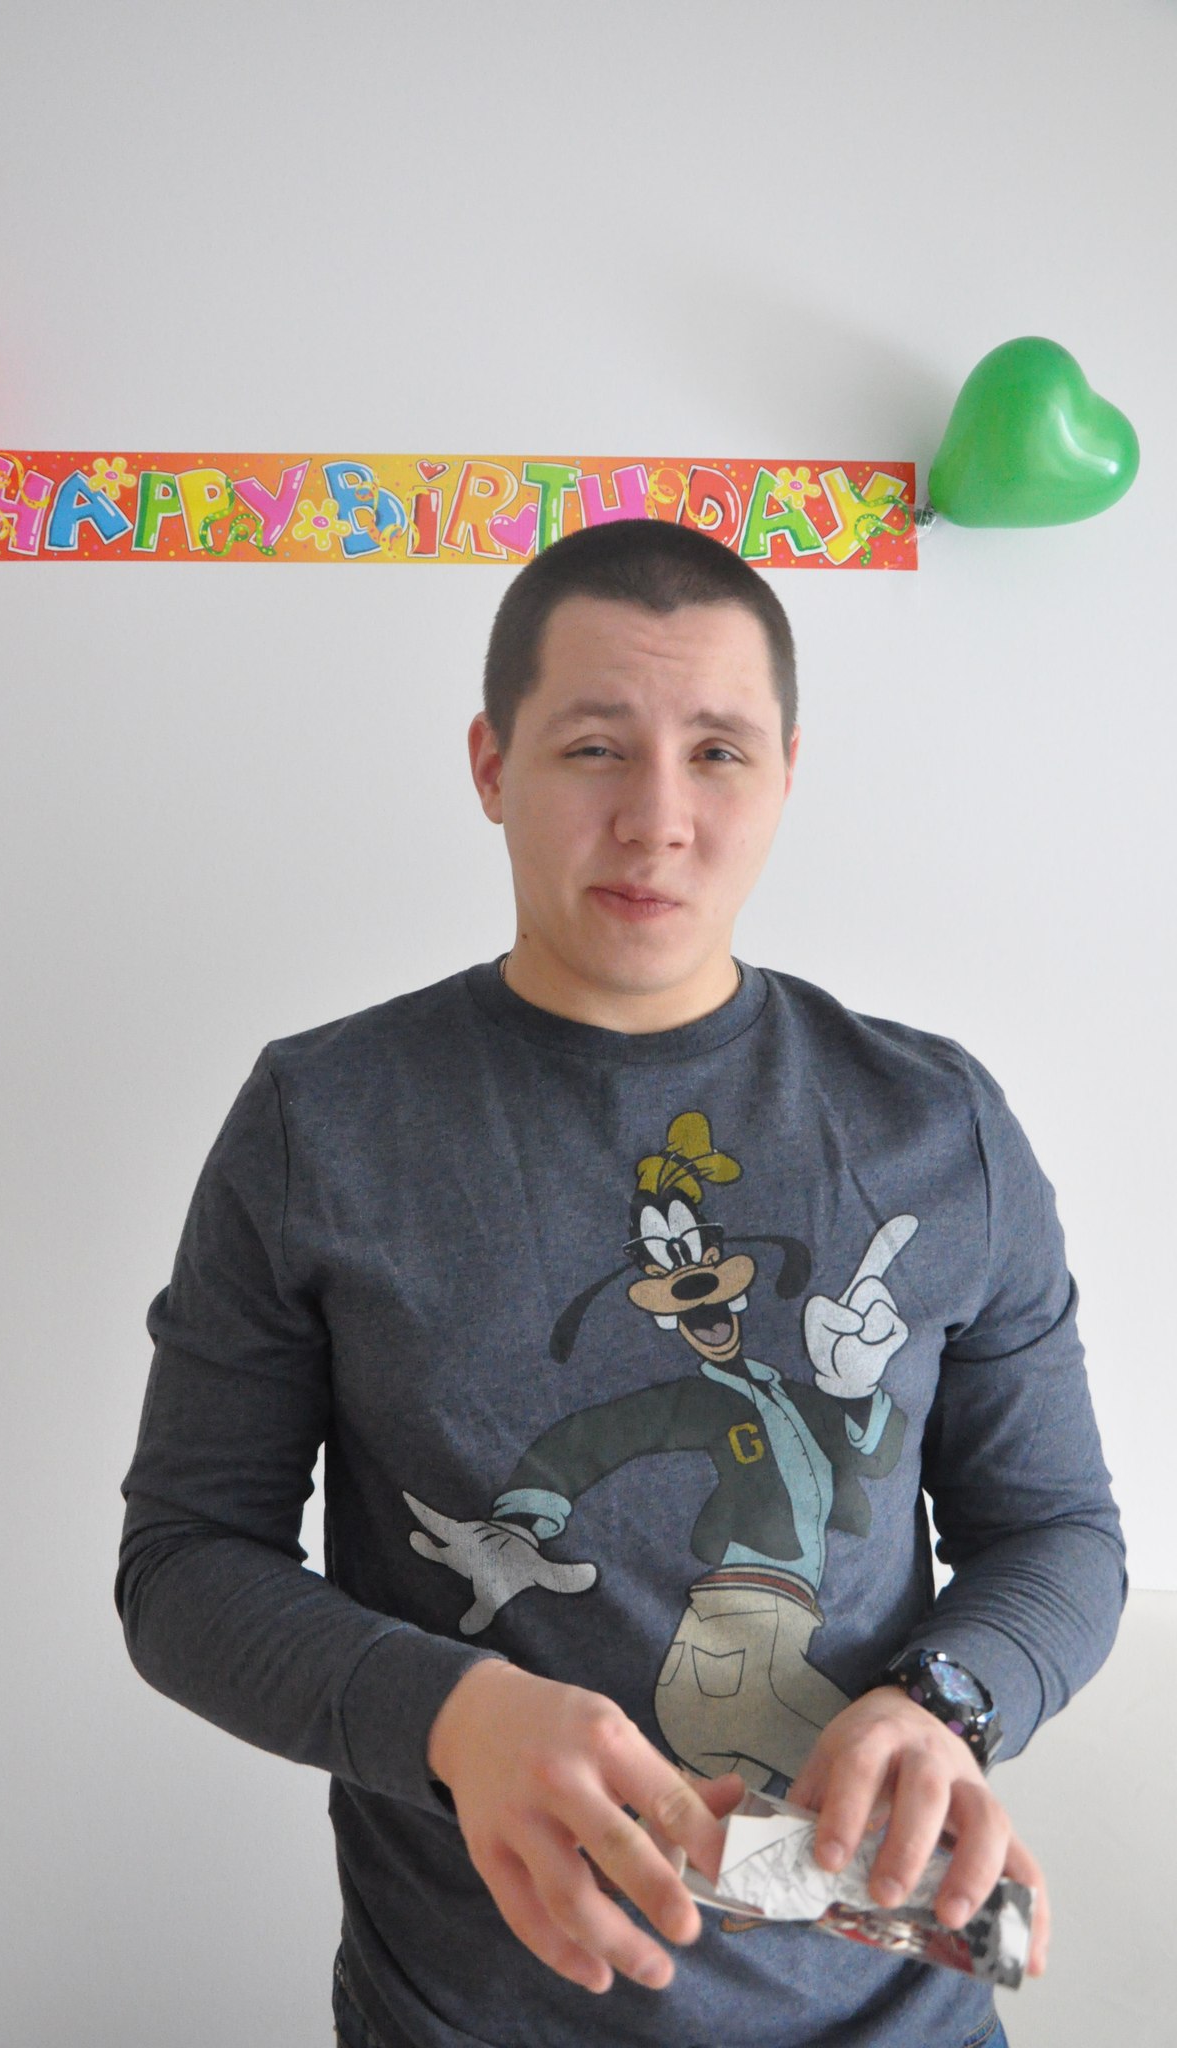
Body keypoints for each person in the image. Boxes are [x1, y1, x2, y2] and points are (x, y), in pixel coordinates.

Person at [116, 519, 1125, 2048]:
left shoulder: (940, 1126)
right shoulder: (321, 1121)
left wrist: (949, 1702)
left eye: (717, 753)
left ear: (787, 773)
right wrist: (452, 1713)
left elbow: (1056, 1533)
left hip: (901, 2019)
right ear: (490, 764)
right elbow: (185, 1561)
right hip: (463, 2017)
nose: (657, 820)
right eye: (595, 747)